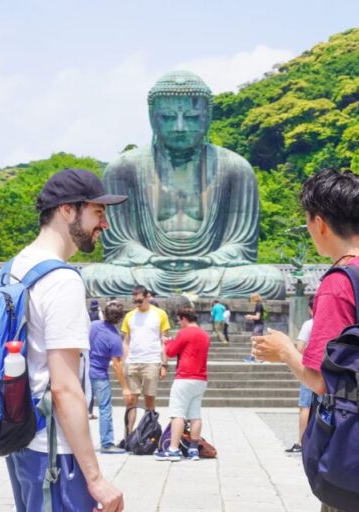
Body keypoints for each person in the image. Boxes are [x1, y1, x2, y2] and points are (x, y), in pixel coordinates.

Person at [253, 168, 359, 512]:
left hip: (354, 462)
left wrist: (285, 352)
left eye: (308, 222)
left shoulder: (339, 282)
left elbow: (323, 382)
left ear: (320, 223)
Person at [81, 70, 286, 299]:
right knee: (92, 277)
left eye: (191, 117)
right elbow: (119, 244)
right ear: (152, 118)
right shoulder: (124, 168)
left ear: (207, 117)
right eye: (168, 118)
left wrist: (209, 260)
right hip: (148, 270)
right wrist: (150, 259)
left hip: (211, 270)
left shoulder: (235, 168)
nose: (179, 127)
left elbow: (241, 245)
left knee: (269, 279)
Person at [4, 168, 124, 512]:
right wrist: (96, 478)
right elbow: (65, 387)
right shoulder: (62, 280)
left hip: (22, 439)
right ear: (67, 210)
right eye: (98, 212)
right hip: (55, 449)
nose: (105, 225)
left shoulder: (14, 267)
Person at [155, 306, 210, 462]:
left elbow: (172, 352)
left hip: (185, 377)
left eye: (179, 320)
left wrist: (166, 342)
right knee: (195, 415)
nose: (179, 323)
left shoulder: (184, 332)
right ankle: (193, 449)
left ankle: (173, 449)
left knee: (177, 414)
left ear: (184, 318)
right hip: (201, 379)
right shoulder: (204, 335)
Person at [121, 284, 170, 437]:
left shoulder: (160, 314)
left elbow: (164, 341)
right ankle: (128, 436)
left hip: (151, 361)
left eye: (140, 301)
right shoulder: (130, 316)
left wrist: (164, 364)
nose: (137, 304)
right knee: (131, 401)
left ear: (148, 297)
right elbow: (126, 341)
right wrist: (125, 362)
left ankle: (149, 434)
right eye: (135, 301)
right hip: (133, 361)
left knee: (149, 401)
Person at [89, 301, 129, 453]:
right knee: (105, 409)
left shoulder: (92, 326)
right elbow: (117, 365)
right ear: (120, 319)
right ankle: (106, 443)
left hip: (84, 372)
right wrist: (125, 387)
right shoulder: (114, 338)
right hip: (99, 375)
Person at [285, 296, 314, 454]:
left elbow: (300, 347)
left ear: (310, 309)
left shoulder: (309, 324)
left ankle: (302, 442)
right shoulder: (330, 323)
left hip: (310, 368)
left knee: (305, 406)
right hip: (328, 369)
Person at [243, 293, 265, 362]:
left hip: (258, 325)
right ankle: (256, 358)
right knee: (256, 342)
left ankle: (254, 358)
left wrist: (250, 316)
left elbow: (257, 317)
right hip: (259, 325)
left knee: (255, 342)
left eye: (251, 298)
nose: (250, 300)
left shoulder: (258, 305)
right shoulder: (259, 304)